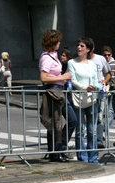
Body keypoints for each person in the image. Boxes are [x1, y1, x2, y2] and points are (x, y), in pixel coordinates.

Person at [39, 29, 76, 163]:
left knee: (62, 122)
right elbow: (43, 78)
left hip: (58, 89)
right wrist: (62, 77)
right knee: (64, 121)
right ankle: (57, 151)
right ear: (53, 42)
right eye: (58, 41)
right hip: (53, 91)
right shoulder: (46, 58)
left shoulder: (53, 55)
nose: (60, 43)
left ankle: (57, 150)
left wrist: (63, 79)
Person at [67, 37, 102, 164]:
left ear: (88, 49)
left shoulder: (92, 64)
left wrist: (98, 86)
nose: (79, 48)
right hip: (79, 98)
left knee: (92, 131)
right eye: (78, 45)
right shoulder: (72, 62)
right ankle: (83, 157)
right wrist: (84, 87)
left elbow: (95, 79)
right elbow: (73, 80)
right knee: (80, 130)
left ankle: (93, 157)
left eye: (82, 46)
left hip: (92, 98)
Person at [89, 43, 112, 149]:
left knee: (100, 117)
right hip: (86, 94)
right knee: (89, 118)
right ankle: (90, 141)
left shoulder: (100, 59)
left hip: (100, 93)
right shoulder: (78, 60)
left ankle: (98, 140)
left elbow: (108, 73)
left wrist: (105, 80)